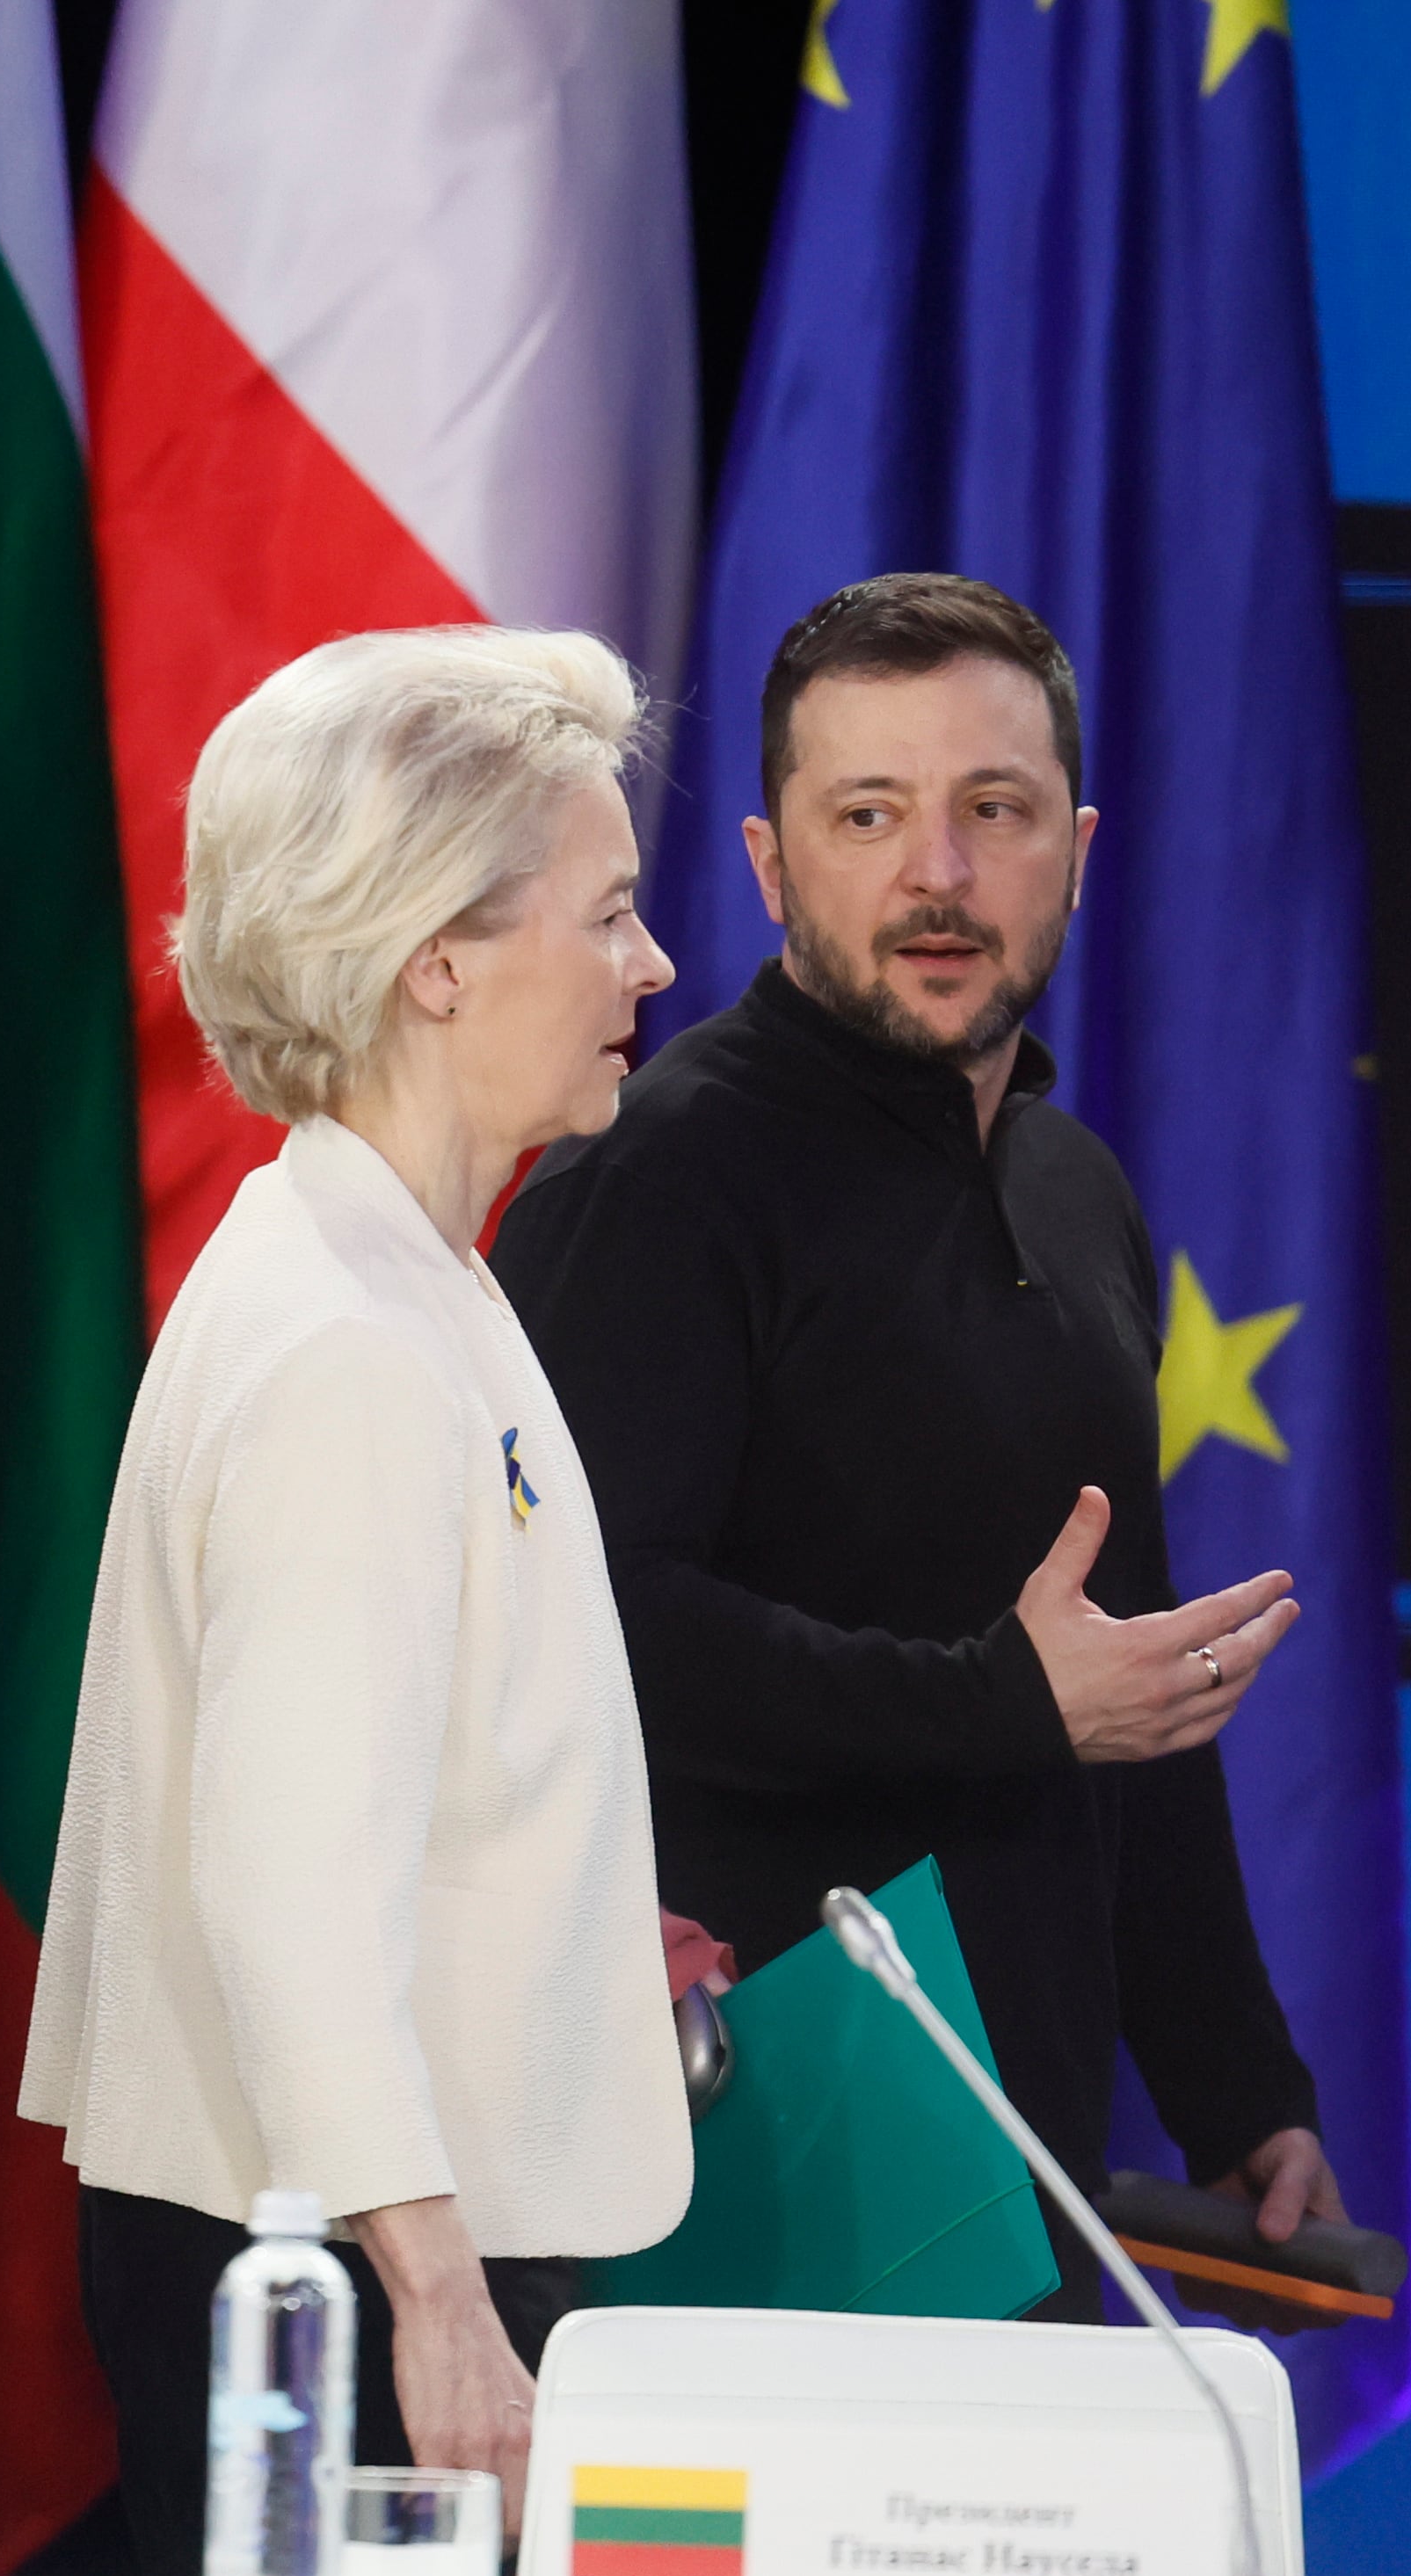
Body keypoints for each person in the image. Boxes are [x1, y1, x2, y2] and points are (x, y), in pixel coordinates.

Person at [492, 573, 1342, 2322]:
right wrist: (1004, 1701)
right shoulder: (651, 1183)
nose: (934, 875)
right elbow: (593, 1639)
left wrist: (1236, 2084)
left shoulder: (1074, 1185)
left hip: (1019, 2170)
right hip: (735, 2156)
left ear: (1078, 846)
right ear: (766, 861)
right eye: (866, 815)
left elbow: (1133, 1699)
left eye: (992, 811)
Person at [21, 627, 693, 2573]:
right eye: (613, 912)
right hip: (347, 2274)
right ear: (436, 957)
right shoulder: (347, 1342)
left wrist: (559, 1900)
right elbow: (285, 1888)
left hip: (340, 2237)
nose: (650, 966)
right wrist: (439, 2303)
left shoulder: (381, 1265)